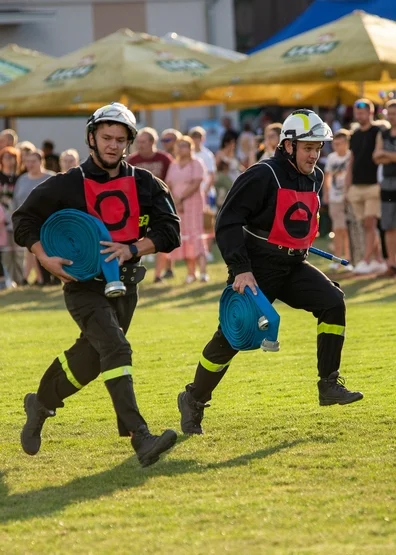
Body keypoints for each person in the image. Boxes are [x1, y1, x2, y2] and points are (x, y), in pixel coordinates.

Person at [13, 102, 181, 467]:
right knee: (117, 350)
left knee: (89, 361)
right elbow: (23, 220)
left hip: (128, 285)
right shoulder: (65, 183)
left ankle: (40, 404)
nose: (112, 145)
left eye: (120, 139)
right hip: (82, 287)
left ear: (128, 143)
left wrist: (132, 248)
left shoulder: (145, 183)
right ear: (92, 137)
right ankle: (141, 437)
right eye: (106, 137)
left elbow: (172, 231)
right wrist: (43, 256)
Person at [177, 109, 363, 435]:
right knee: (230, 341)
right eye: (308, 148)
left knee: (333, 301)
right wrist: (240, 270)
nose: (314, 155)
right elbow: (227, 221)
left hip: (292, 265)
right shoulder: (261, 174)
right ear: (288, 145)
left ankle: (328, 383)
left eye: (318, 148)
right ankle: (193, 398)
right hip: (255, 270)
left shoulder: (315, 176)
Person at [345, 99, 386, 274]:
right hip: (356, 185)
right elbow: (351, 160)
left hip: (373, 185)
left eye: (362, 111)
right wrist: (348, 185)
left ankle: (366, 260)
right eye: (356, 111)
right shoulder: (354, 134)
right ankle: (378, 259)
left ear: (370, 112)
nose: (358, 114)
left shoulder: (378, 131)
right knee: (365, 225)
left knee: (370, 223)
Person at [165, 136, 206, 283]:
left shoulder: (196, 163)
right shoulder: (174, 165)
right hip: (178, 205)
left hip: (193, 204)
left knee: (196, 234)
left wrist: (181, 198)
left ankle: (203, 272)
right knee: (185, 236)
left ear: (190, 148)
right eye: (179, 145)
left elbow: (196, 183)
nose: (182, 149)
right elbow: (168, 183)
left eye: (185, 146)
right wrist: (175, 200)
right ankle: (191, 273)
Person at [373, 99, 396, 276]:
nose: (392, 117)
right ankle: (391, 264)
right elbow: (376, 157)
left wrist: (385, 155)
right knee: (388, 224)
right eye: (390, 113)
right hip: (387, 182)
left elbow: (382, 155)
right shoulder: (383, 133)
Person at [323, 129, 352, 270]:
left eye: (339, 143)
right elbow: (327, 176)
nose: (336, 146)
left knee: (347, 229)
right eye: (335, 144)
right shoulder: (331, 158)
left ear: (346, 143)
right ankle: (338, 259)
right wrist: (326, 194)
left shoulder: (351, 156)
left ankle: (348, 259)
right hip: (335, 197)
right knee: (338, 228)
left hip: (348, 197)